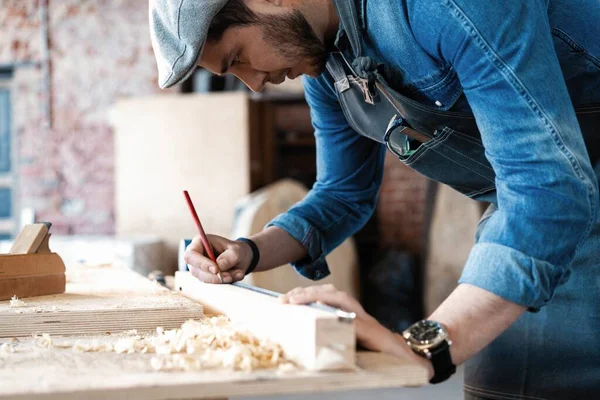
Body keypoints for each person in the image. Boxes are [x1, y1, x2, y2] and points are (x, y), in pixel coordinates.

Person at [149, 0, 600, 397]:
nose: (254, 84)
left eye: (238, 59)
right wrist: (249, 251)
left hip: (555, 200)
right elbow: (342, 193)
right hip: (538, 216)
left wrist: (425, 347)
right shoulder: (325, 63)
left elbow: (545, 186)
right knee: (502, 381)